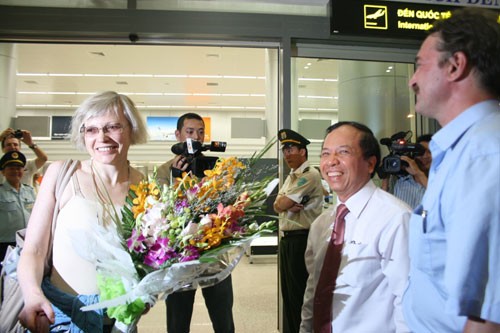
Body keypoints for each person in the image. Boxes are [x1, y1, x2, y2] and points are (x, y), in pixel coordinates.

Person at [17, 91, 148, 332]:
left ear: (131, 128)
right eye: (91, 130)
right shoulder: (62, 174)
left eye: (113, 127)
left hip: (120, 322)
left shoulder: (146, 186)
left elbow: (149, 257)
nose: (102, 137)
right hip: (62, 318)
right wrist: (32, 294)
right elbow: (34, 249)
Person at [403, 8, 500, 333]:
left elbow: (489, 317)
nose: (412, 80)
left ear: (455, 65)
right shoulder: (460, 150)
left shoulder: (484, 156)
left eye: (420, 64)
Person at [300, 121, 411, 333]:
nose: (331, 162)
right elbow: (313, 291)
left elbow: (407, 302)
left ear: (370, 164)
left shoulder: (395, 218)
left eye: (343, 152)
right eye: (325, 153)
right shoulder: (322, 224)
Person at [156, 112, 235, 333]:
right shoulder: (164, 171)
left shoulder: (215, 168)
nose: (196, 137)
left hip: (215, 254)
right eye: (190, 132)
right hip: (180, 257)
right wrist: (175, 179)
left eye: (200, 132)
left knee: (223, 319)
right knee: (177, 321)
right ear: (178, 135)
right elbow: (163, 210)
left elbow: (227, 203)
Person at [272, 129, 323, 333]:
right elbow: (277, 204)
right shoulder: (291, 177)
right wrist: (283, 204)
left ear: (303, 151)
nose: (287, 155)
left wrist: (283, 203)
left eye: (291, 149)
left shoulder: (309, 174)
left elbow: (282, 202)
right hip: (287, 240)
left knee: (300, 294)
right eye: (284, 151)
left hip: (301, 239)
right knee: (289, 294)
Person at [0, 151, 36, 269]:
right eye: (11, 168)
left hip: (27, 243)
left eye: (19, 168)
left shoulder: (30, 191)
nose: (15, 171)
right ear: (3, 172)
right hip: (5, 244)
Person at [382, 134, 432, 208]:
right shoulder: (398, 181)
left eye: (430, 152)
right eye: (420, 152)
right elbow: (382, 206)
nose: (425, 156)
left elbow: (442, 197)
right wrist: (385, 177)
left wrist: (418, 173)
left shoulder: (441, 181)